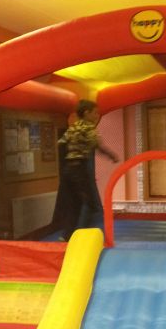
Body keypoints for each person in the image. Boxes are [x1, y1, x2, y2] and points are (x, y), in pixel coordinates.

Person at [56, 99, 119, 241]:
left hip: (68, 169)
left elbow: (61, 143)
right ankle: (81, 234)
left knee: (74, 204)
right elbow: (98, 145)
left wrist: (68, 157)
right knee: (90, 203)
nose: (97, 116)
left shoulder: (73, 127)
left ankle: (66, 235)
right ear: (86, 113)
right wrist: (112, 156)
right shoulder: (89, 127)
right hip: (80, 168)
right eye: (95, 113)